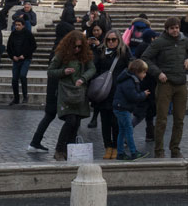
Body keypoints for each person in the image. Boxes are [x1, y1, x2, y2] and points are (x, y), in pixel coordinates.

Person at [140, 18, 188, 158]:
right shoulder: (159, 42)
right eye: (172, 28)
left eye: (177, 27)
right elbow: (145, 58)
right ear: (166, 29)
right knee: (162, 119)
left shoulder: (183, 40)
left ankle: (175, 149)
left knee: (179, 119)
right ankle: (159, 150)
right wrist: (158, 73)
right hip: (165, 83)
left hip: (181, 83)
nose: (175, 30)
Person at [49, 30, 94, 161]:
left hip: (79, 93)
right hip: (66, 92)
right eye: (75, 46)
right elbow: (51, 71)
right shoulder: (61, 54)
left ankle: (69, 150)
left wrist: (83, 78)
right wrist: (64, 71)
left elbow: (92, 68)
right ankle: (59, 149)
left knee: (76, 122)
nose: (77, 49)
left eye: (80, 47)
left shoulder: (85, 55)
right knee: (70, 120)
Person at [93, 30, 131, 158]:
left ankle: (116, 146)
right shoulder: (100, 51)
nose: (111, 42)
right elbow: (94, 68)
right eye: (108, 39)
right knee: (105, 122)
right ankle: (107, 146)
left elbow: (131, 67)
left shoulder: (124, 52)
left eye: (113, 39)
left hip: (118, 91)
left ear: (118, 40)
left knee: (116, 122)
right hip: (103, 92)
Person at [113, 59, 150, 161]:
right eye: (144, 72)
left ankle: (120, 153)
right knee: (128, 130)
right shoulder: (129, 81)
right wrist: (143, 94)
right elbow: (133, 96)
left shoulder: (129, 78)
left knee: (122, 131)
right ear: (137, 72)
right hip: (123, 109)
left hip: (120, 108)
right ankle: (133, 152)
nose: (145, 75)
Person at [5, 17, 36, 106]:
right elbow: (9, 47)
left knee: (22, 75)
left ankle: (25, 96)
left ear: (23, 25)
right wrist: (13, 56)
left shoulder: (28, 34)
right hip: (16, 59)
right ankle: (16, 98)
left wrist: (24, 55)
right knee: (14, 79)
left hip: (25, 59)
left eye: (19, 25)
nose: (17, 27)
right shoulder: (13, 34)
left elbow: (33, 46)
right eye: (16, 25)